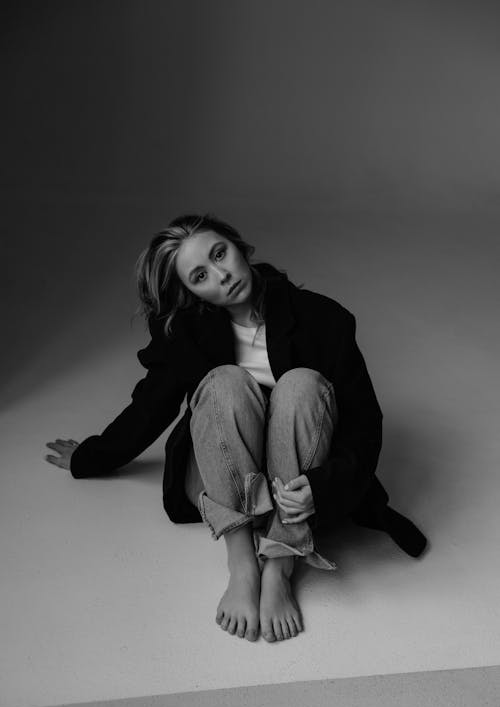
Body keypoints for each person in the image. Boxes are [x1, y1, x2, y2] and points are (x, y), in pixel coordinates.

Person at [45, 213, 427, 644]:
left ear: (239, 246)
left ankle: (281, 565)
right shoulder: (187, 333)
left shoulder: (323, 318)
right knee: (225, 380)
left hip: (294, 482)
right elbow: (149, 406)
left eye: (220, 254)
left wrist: (323, 485)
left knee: (301, 383)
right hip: (220, 470)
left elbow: (363, 422)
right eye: (201, 275)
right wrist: (90, 456)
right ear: (190, 291)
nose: (222, 276)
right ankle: (243, 560)